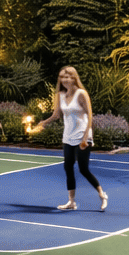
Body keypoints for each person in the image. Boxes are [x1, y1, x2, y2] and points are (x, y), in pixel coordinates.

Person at [34, 65, 108, 211]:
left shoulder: (81, 94)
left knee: (83, 169)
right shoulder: (60, 95)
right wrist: (43, 123)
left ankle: (102, 194)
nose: (64, 80)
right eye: (62, 77)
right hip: (67, 136)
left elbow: (90, 115)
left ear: (74, 78)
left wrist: (86, 137)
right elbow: (56, 115)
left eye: (67, 77)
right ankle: (71, 202)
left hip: (82, 135)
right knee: (68, 168)